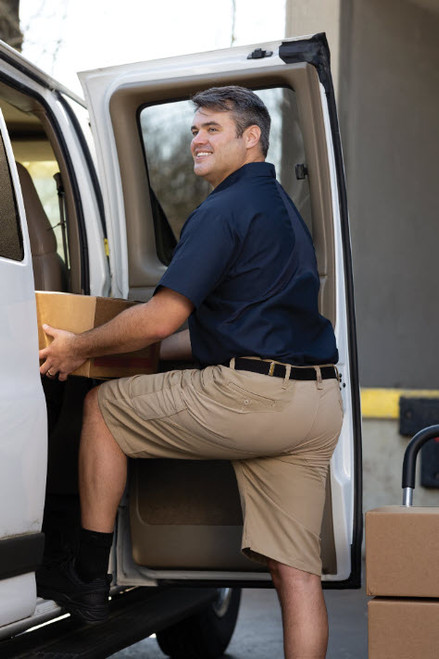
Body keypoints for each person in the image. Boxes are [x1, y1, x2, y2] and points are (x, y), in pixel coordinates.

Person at [38, 86, 343, 658]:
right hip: (316, 403)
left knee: (103, 408)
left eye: (212, 129)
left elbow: (161, 318)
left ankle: (87, 577)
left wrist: (80, 348)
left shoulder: (224, 209)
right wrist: (132, 355)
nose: (197, 140)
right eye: (195, 130)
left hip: (251, 398)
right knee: (297, 573)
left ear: (251, 137)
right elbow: (221, 331)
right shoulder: (280, 209)